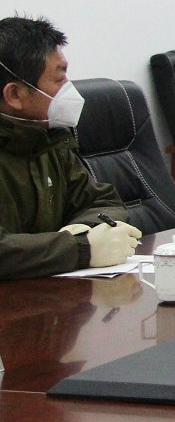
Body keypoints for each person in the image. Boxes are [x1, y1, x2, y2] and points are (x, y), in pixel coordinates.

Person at [0, 15, 141, 279]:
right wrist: (80, 248)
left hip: (49, 290)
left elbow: (102, 201)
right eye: (58, 79)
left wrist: (82, 230)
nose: (70, 89)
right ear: (15, 94)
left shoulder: (48, 139)